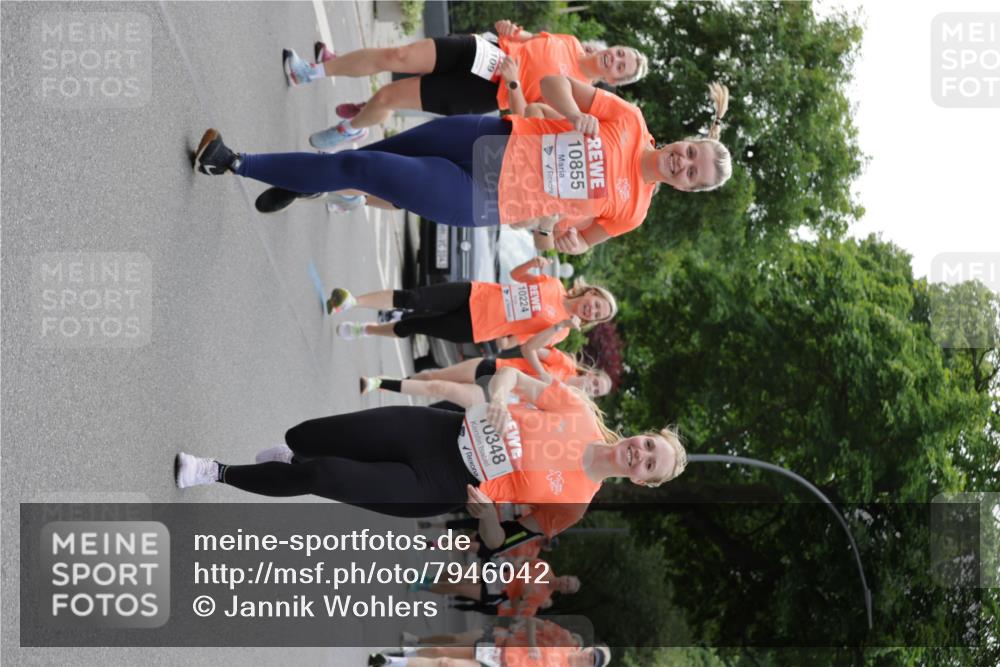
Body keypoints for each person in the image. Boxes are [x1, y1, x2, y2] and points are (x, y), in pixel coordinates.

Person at [175, 366, 688, 552]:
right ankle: (289, 457)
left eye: (649, 465)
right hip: (436, 431)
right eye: (648, 444)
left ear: (642, 482)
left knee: (322, 475)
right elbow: (507, 376)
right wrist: (502, 399)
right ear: (640, 435)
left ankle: (215, 471)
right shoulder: (574, 409)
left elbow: (499, 545)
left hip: (440, 483)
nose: (639, 454)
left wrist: (488, 518)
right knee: (305, 436)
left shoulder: (574, 505)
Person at [192, 80, 732, 247]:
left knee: (358, 171)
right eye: (691, 152)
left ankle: (233, 161)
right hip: (487, 136)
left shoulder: (632, 211)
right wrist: (572, 113)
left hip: (482, 196)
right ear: (684, 139)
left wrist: (563, 240)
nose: (683, 162)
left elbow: (563, 242)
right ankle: (304, 182)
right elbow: (552, 85)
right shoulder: (630, 119)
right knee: (366, 157)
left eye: (692, 172)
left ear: (686, 189)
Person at [281, 20, 648, 150]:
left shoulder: (580, 97)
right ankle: (309, 72)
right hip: (482, 50)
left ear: (614, 80)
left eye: (620, 67)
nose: (614, 59)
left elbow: (526, 119)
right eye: (619, 53)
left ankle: (350, 129)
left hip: (485, 91)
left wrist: (515, 83)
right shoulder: (568, 40)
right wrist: (508, 29)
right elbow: (524, 39)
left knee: (388, 95)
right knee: (397, 57)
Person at [326, 257, 616, 347]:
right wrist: (533, 263)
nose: (592, 308)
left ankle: (364, 330)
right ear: (591, 293)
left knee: (412, 325)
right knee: (413, 298)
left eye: (597, 314)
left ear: (591, 319)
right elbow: (515, 275)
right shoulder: (553, 284)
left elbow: (521, 346)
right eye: (596, 303)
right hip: (475, 294)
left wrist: (557, 326)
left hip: (474, 327)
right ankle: (353, 301)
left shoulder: (561, 331)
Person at [367, 620, 612, 667]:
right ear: (589, 648)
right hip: (499, 648)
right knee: (445, 648)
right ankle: (406, 651)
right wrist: (533, 644)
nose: (590, 659)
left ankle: (388, 662)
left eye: (594, 663)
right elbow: (531, 621)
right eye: (594, 654)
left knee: (446, 663)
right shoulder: (563, 640)